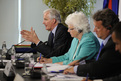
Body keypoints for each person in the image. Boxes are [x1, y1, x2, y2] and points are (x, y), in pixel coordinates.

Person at [63, 8, 121, 79]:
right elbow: (100, 61)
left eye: (98, 27)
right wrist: (83, 63)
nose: (94, 30)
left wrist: (76, 69)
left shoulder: (113, 44)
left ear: (108, 28)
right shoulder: (107, 42)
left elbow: (100, 66)